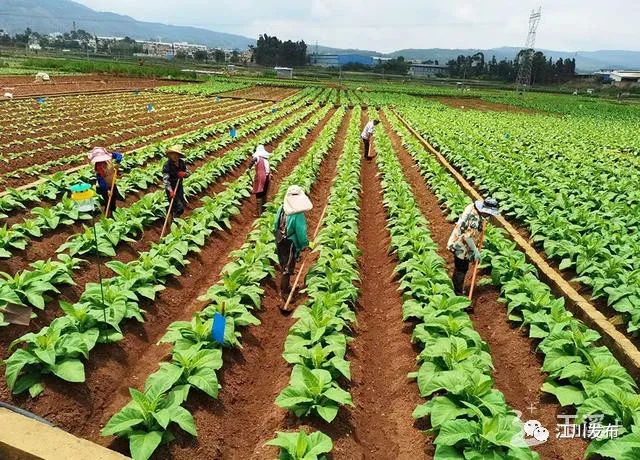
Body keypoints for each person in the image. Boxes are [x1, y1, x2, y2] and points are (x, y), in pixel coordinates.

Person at [447, 198, 500, 296]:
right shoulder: (475, 219)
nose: (489, 216)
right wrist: (475, 251)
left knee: (459, 267)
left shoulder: (472, 207)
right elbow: (467, 237)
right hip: (461, 246)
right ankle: (458, 294)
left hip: (456, 238)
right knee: (461, 268)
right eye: (489, 214)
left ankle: (455, 288)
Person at [274, 185, 313, 307]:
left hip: (279, 239)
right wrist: (305, 244)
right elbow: (301, 233)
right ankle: (284, 292)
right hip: (290, 243)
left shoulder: (282, 208)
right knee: (288, 267)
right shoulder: (298, 215)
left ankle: (286, 286)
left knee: (283, 263)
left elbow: (275, 224)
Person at [87, 146, 123, 217]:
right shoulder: (98, 166)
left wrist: (117, 162)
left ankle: (113, 212)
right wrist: (107, 190)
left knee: (114, 197)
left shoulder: (109, 158)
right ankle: (107, 215)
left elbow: (119, 155)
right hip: (103, 187)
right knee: (108, 201)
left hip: (112, 183)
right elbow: (101, 180)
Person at [163, 144, 189, 219]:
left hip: (179, 187)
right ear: (170, 155)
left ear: (179, 155)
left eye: (177, 154)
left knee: (182, 204)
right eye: (173, 154)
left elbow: (188, 173)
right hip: (171, 188)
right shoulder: (167, 165)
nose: (175, 156)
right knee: (178, 207)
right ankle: (174, 219)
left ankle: (173, 215)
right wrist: (170, 191)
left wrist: (184, 174)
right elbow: (166, 180)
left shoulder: (181, 163)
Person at [247, 145, 271, 215]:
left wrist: (249, 168)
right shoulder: (266, 160)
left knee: (259, 193)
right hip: (267, 177)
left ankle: (260, 213)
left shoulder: (257, 157)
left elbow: (253, 160)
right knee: (264, 193)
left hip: (261, 177)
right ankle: (264, 211)